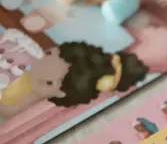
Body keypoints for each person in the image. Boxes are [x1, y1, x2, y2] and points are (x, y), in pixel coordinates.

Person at [0, 43, 148, 118]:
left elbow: (10, 109)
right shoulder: (22, 58)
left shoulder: (28, 95)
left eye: (48, 82)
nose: (39, 61)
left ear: (58, 93)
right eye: (48, 53)